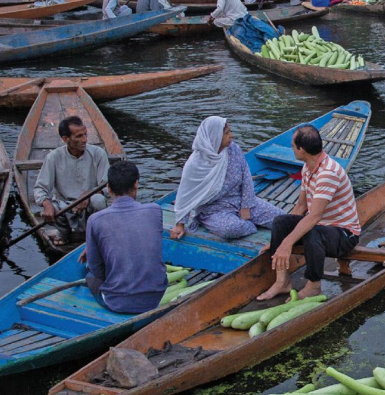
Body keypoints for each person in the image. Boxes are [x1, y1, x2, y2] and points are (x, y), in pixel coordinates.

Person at [258, 125, 360, 301]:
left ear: (302, 149)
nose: (292, 149)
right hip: (322, 228)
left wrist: (287, 244)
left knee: (313, 230)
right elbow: (300, 207)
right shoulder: (307, 168)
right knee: (281, 221)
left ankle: (314, 285)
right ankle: (282, 282)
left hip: (345, 233)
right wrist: (278, 241)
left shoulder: (328, 173)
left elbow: (314, 217)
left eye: (292, 146)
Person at [170, 117, 284, 242]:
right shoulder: (196, 164)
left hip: (240, 200)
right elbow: (185, 194)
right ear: (214, 136)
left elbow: (246, 178)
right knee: (231, 228)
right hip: (213, 210)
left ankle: (247, 220)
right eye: (226, 133)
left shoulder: (233, 150)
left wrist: (246, 206)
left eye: (230, 131)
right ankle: (252, 225)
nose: (231, 136)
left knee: (282, 220)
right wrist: (180, 224)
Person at [83, 161, 167, 314]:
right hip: (156, 296)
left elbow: (96, 268)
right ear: (136, 184)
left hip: (117, 302)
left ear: (108, 188)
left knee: (88, 274)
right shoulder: (155, 210)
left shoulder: (95, 219)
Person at [33, 115, 109, 246]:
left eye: (85, 134)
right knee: (50, 208)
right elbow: (40, 188)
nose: (85, 140)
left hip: (90, 204)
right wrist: (46, 204)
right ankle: (64, 233)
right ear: (65, 139)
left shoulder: (98, 153)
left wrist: (89, 194)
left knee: (99, 201)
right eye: (79, 136)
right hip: (65, 206)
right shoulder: (53, 157)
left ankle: (96, 234)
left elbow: (107, 186)